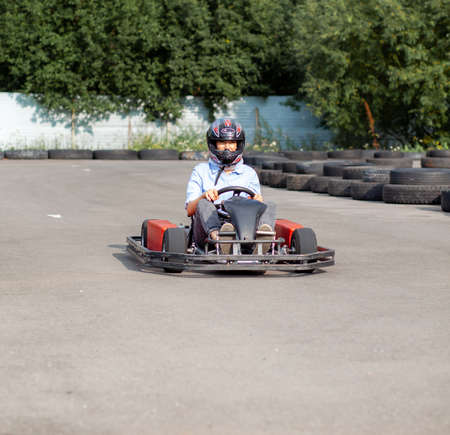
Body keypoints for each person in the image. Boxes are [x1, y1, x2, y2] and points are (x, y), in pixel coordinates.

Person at [185, 118, 276, 253]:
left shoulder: (248, 173)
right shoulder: (201, 171)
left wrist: (257, 202)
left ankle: (262, 241)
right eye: (222, 142)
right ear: (213, 144)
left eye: (232, 142)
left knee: (269, 205)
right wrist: (204, 196)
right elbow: (190, 210)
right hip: (208, 229)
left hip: (243, 225)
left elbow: (257, 203)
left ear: (238, 145)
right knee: (203, 204)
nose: (227, 147)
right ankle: (220, 239)